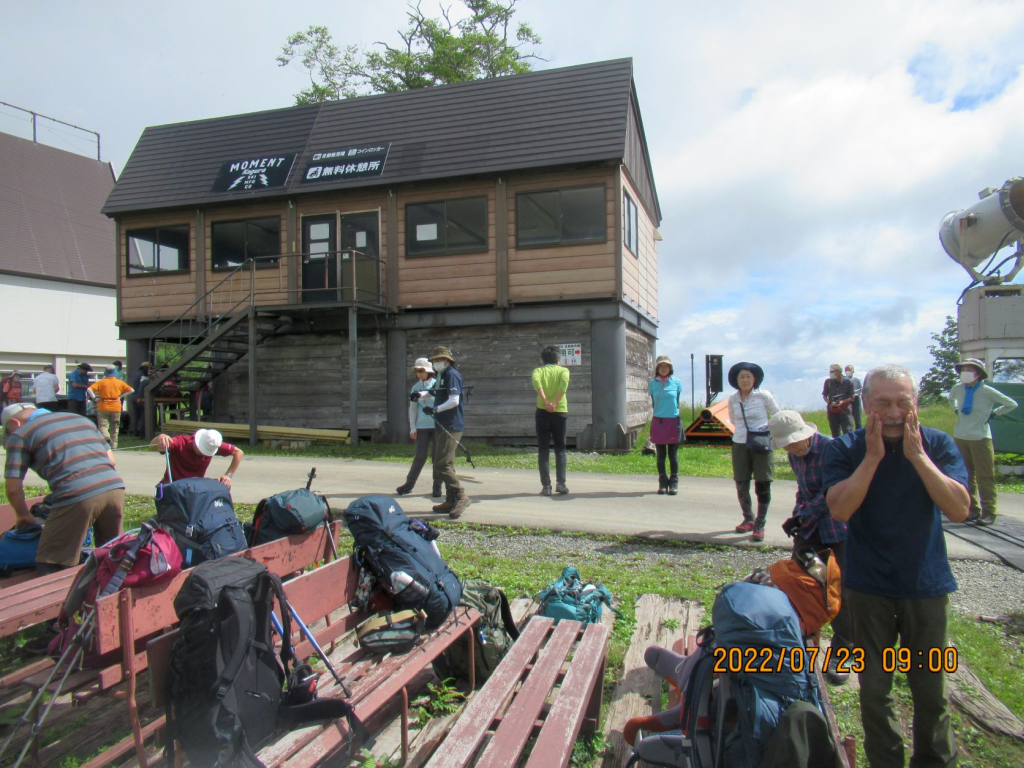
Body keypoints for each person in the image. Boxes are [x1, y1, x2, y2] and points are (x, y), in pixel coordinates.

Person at [823, 364, 969, 768]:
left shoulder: (937, 444)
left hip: (926, 584)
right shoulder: (846, 448)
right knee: (875, 690)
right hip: (868, 586)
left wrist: (918, 457)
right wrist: (872, 458)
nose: (893, 411)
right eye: (883, 402)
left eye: (902, 402)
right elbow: (841, 508)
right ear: (865, 403)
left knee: (931, 691)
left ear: (915, 404)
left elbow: (958, 509)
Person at [767, 410, 852, 684]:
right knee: (798, 583)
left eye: (794, 443)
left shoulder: (830, 449)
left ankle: (842, 652)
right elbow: (803, 490)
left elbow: (832, 493)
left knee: (839, 590)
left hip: (837, 527)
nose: (791, 449)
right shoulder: (795, 456)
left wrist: (806, 514)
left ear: (805, 434)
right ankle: (801, 642)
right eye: (787, 445)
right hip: (812, 527)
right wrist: (796, 517)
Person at [3, 403, 125, 573]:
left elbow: (13, 488)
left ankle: (63, 599)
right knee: (113, 556)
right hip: (115, 488)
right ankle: (104, 596)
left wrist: (23, 515)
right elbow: (111, 460)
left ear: (14, 423)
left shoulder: (21, 434)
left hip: (78, 493)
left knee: (52, 562)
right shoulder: (80, 419)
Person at [948, 357, 1018, 526]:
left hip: (980, 437)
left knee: (985, 476)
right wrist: (956, 409)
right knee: (965, 475)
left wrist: (995, 413)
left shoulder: (987, 391)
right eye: (963, 369)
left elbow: (1011, 404)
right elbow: (951, 399)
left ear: (978, 374)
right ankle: (972, 509)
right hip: (961, 435)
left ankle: (989, 512)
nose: (965, 373)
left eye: (969, 370)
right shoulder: (958, 388)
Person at [727, 362, 779, 541]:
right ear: (736, 380)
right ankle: (748, 518)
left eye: (748, 376)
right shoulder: (733, 399)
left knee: (763, 482)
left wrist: (766, 432)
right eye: (741, 377)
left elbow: (777, 415)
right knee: (741, 482)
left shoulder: (763, 395)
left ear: (755, 378)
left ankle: (760, 523)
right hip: (740, 442)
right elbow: (733, 419)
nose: (745, 380)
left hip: (762, 442)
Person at [418, 346, 470, 518]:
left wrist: (436, 409)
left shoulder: (452, 375)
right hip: (442, 424)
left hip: (451, 424)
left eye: (438, 360)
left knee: (442, 464)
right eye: (434, 360)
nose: (436, 363)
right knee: (448, 464)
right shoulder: (441, 374)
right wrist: (419, 395)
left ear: (447, 360)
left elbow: (454, 400)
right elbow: (433, 392)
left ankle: (461, 495)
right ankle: (450, 500)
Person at [397, 358, 441, 498]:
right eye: (416, 371)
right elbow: (413, 409)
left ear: (428, 371)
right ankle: (409, 485)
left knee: (437, 457)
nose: (418, 373)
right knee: (420, 456)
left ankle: (437, 486)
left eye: (421, 370)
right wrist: (412, 427)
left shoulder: (437, 384)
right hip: (422, 426)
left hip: (437, 425)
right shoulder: (415, 387)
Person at [532, 346, 571, 496]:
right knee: (560, 448)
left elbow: (537, 384)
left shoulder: (538, 371)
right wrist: (555, 402)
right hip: (560, 411)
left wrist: (546, 401)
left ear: (543, 359)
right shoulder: (564, 371)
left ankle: (546, 486)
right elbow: (564, 386)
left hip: (542, 411)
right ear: (558, 359)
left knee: (543, 449)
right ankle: (561, 484)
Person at [150, 428, 244, 488]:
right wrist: (160, 437)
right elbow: (152, 446)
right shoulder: (180, 442)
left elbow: (239, 453)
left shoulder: (212, 443)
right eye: (203, 450)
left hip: (195, 487)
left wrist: (228, 475)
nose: (204, 453)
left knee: (224, 485)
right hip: (173, 485)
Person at [647, 354, 683, 495]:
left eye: (666, 366)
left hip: (673, 420)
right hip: (659, 420)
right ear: (657, 368)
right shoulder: (652, 383)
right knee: (661, 454)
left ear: (670, 368)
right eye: (661, 366)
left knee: (673, 454)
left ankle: (674, 482)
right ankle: (662, 482)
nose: (663, 368)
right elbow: (654, 402)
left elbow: (677, 401)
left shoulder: (676, 382)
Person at [87, 367, 134, 448]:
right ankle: (114, 445)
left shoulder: (101, 382)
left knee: (103, 425)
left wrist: (94, 398)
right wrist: (120, 396)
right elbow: (132, 390)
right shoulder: (119, 382)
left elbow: (89, 389)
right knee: (115, 426)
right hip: (116, 406)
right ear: (115, 373)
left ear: (106, 373)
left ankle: (106, 437)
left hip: (103, 406)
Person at [822, 363, 854, 437]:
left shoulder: (849, 382)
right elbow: (824, 395)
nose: (830, 373)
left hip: (845, 411)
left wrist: (842, 402)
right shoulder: (828, 382)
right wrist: (830, 403)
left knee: (848, 432)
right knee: (835, 433)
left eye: (832, 371)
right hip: (832, 411)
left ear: (838, 371)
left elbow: (851, 397)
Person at [130, 361, 151, 437]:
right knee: (143, 415)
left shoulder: (136, 374)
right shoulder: (143, 376)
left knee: (135, 416)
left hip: (133, 396)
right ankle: (142, 433)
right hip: (140, 397)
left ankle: (134, 432)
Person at [844, 365, 863, 429]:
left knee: (857, 417)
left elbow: (861, 390)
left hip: (856, 399)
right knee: (848, 418)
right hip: (847, 400)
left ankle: (859, 432)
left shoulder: (856, 380)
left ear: (853, 371)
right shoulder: (844, 380)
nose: (847, 372)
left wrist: (854, 393)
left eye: (849, 370)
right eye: (846, 370)